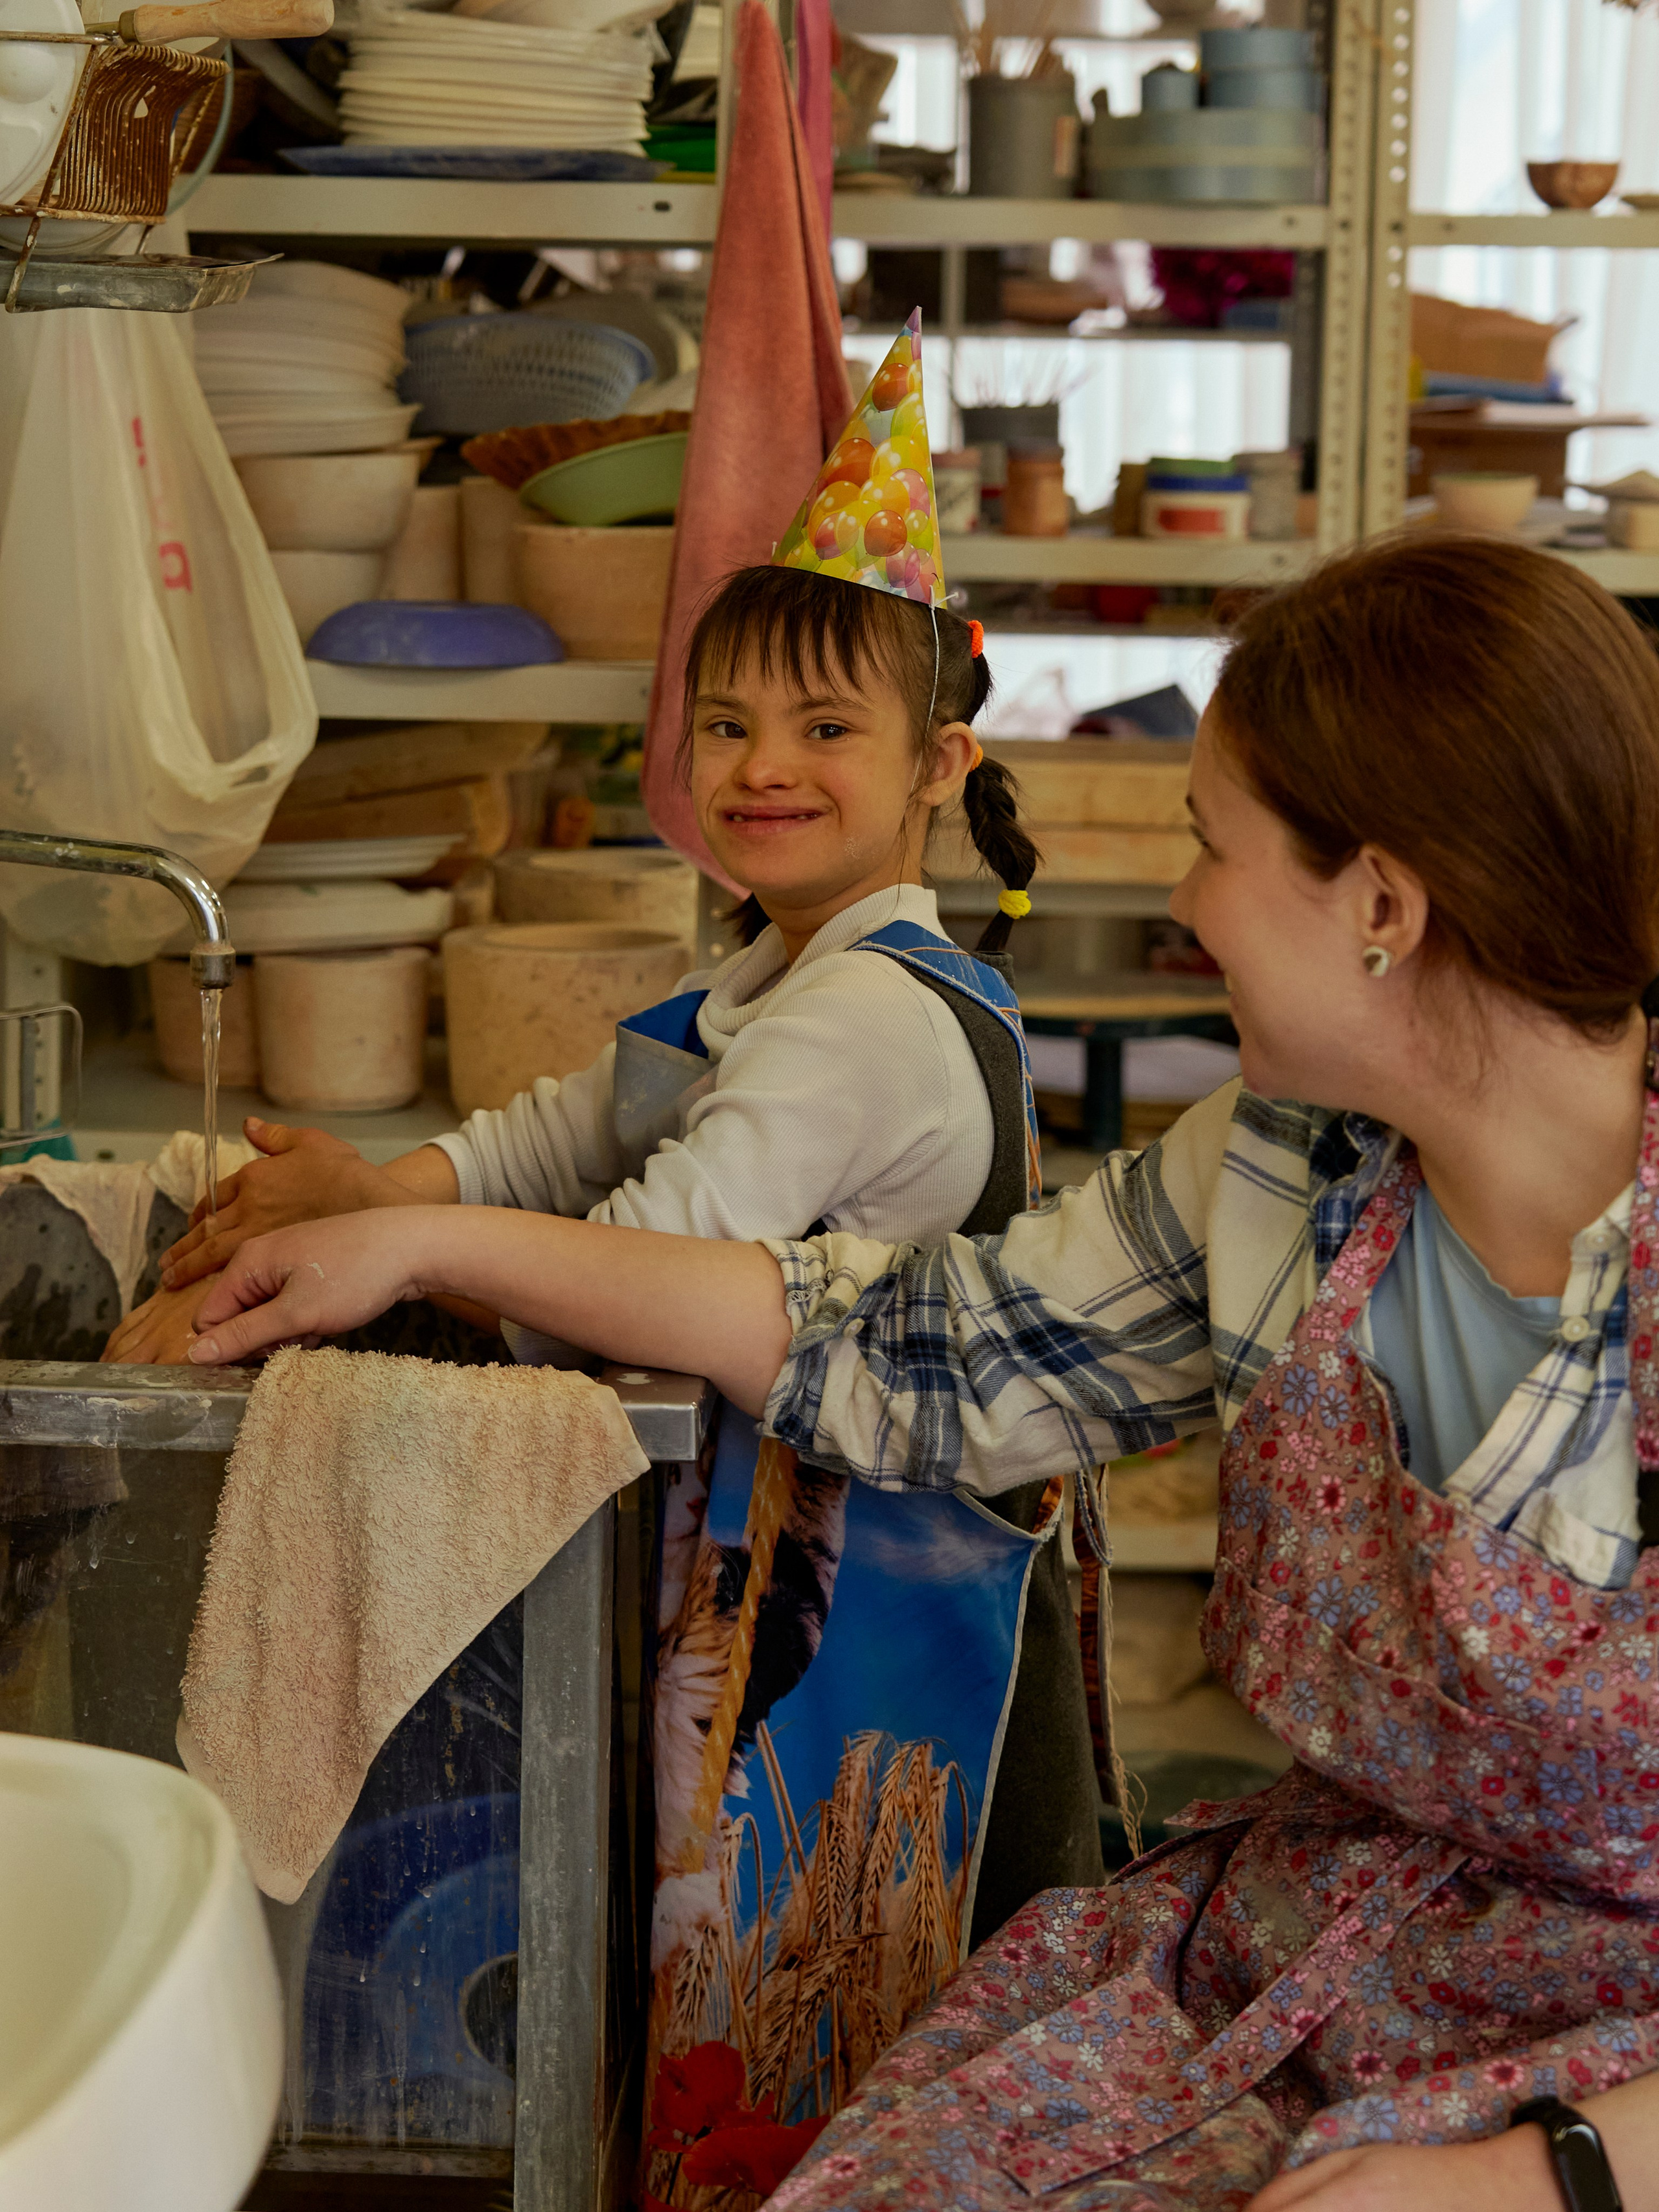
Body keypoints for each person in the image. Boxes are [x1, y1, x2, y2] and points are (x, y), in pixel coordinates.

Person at [185, 531, 1659, 2212]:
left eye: (1210, 847)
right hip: (1319, 1954)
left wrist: (1544, 2181)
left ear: (1384, 906)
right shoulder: (1286, 1173)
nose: (1184, 907)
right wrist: (420, 1236)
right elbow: (921, 1347)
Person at [115, 317, 1109, 2175]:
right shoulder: (771, 972)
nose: (760, 767)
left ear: (935, 764)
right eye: (724, 725)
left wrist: (407, 1255)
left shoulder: (869, 1022)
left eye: (826, 729)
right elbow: (564, 1129)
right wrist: (378, 1182)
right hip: (748, 1545)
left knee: (824, 1995)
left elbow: (651, 1255)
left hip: (862, 1604)